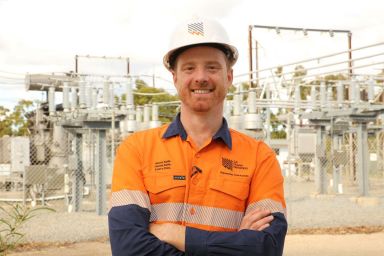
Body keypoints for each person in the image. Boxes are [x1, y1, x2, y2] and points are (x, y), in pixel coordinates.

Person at [108, 17, 287, 256]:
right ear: (175, 78)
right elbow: (128, 247)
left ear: (229, 77)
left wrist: (175, 234)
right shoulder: (137, 149)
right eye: (189, 68)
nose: (200, 77)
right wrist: (235, 243)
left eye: (212, 67)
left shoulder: (259, 157)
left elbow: (267, 248)